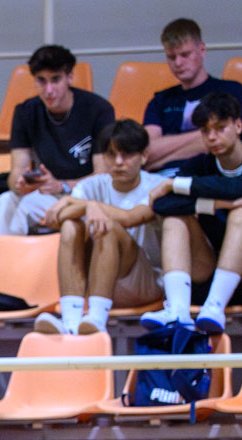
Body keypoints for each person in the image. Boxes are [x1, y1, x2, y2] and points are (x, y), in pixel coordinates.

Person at [144, 92, 242, 333]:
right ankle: (177, 310)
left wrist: (175, 183)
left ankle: (215, 306)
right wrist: (217, 204)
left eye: (220, 128)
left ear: (238, 125)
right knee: (175, 219)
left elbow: (240, 187)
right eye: (205, 131)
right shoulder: (200, 164)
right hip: (209, 270)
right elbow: (161, 205)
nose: (212, 137)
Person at [36, 119, 164, 336]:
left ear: (144, 155)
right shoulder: (91, 185)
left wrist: (88, 205)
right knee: (70, 226)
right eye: (111, 155)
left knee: (107, 227)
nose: (119, 162)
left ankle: (97, 318)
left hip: (143, 282)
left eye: (127, 154)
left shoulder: (157, 186)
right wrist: (87, 206)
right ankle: (70, 321)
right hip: (97, 277)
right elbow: (56, 219)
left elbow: (130, 218)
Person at [0, 45, 115, 237]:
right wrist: (21, 183)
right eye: (41, 81)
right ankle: (4, 254)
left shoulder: (98, 109)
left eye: (55, 80)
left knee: (26, 207)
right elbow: (16, 171)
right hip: (47, 192)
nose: (49, 90)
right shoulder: (25, 111)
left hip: (86, 195)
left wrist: (62, 185)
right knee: (5, 201)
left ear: (70, 78)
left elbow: (103, 176)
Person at [145, 18, 242, 168]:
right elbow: (146, 152)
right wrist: (200, 138)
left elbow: (224, 141)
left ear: (202, 50)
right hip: (163, 177)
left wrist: (164, 156)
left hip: (212, 173)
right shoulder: (160, 99)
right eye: (171, 57)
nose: (178, 63)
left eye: (185, 55)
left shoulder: (230, 91)